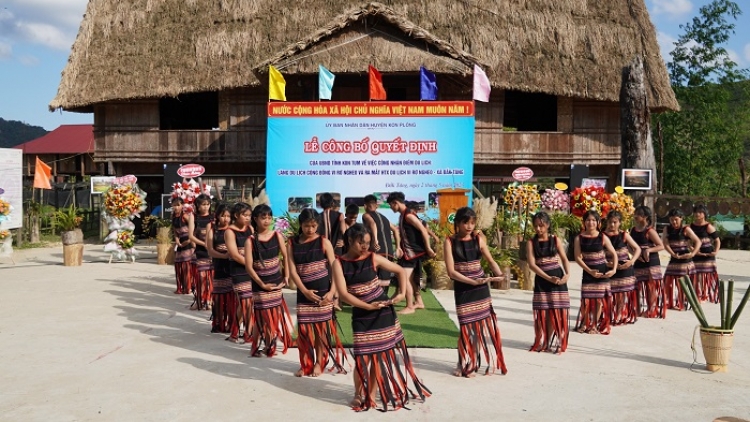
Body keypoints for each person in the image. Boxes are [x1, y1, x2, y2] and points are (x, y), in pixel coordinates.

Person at [331, 223, 430, 411]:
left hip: (383, 312)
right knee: (362, 359)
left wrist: (400, 294)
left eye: (367, 243)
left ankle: (370, 394)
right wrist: (367, 306)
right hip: (362, 314)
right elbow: (343, 294)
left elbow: (400, 271)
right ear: (350, 240)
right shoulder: (339, 263)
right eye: (361, 243)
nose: (365, 247)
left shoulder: (373, 258)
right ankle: (358, 394)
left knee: (377, 358)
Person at [445, 207, 507, 375]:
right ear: (457, 223)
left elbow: (490, 259)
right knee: (466, 326)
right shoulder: (449, 241)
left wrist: (499, 274)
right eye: (466, 222)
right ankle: (461, 362)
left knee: (478, 327)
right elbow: (451, 272)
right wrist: (470, 281)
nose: (469, 226)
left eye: (472, 223)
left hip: (480, 288)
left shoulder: (479, 239)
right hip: (464, 287)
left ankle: (473, 361)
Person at [287, 208, 346, 377]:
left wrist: (332, 293)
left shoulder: (323, 241)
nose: (310, 229)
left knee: (321, 333)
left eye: (313, 226)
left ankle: (320, 363)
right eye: (306, 226)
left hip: (323, 293)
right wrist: (304, 291)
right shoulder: (292, 243)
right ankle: (305, 364)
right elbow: (292, 270)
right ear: (301, 224)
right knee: (304, 331)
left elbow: (335, 268)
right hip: (304, 294)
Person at [245, 204, 294, 358]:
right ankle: (255, 346)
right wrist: (261, 284)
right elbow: (249, 267)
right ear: (255, 219)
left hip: (276, 282)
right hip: (260, 285)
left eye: (268, 217)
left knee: (274, 315)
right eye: (262, 217)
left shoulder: (277, 235)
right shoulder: (250, 240)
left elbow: (286, 256)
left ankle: (269, 345)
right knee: (261, 316)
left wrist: (286, 276)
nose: (266, 221)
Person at [526, 211, 571, 353]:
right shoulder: (531, 243)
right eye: (536, 226)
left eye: (541, 225)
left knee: (556, 311)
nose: (538, 229)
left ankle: (559, 341)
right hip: (542, 280)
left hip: (558, 278)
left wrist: (567, 274)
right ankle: (544, 341)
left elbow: (564, 258)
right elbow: (532, 265)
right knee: (542, 312)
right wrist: (547, 277)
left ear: (548, 225)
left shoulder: (555, 240)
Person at [387, 192, 436, 314]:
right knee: (412, 279)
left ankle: (409, 306)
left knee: (405, 278)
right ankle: (418, 301)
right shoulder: (403, 214)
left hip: (413, 253)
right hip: (409, 253)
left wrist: (428, 248)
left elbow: (423, 231)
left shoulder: (408, 215)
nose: (391, 208)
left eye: (391, 205)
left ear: (395, 203)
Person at [573, 210, 616, 335]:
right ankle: (585, 322)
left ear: (598, 223)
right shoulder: (579, 238)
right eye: (588, 220)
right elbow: (577, 258)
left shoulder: (602, 237)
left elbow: (613, 254)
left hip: (602, 272)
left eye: (593, 220)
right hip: (588, 271)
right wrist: (589, 271)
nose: (590, 222)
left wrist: (613, 270)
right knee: (586, 300)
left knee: (598, 301)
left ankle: (594, 325)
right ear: (584, 222)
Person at [603, 210, 641, 325]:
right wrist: (606, 263)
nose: (612, 225)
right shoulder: (602, 236)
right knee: (608, 294)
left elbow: (637, 249)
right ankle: (608, 315)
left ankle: (619, 315)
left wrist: (632, 261)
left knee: (621, 295)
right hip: (609, 268)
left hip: (624, 268)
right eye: (610, 222)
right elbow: (598, 251)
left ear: (620, 223)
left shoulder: (624, 235)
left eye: (615, 222)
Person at [224, 202, 254, 343]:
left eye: (249, 215)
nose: (248, 218)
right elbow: (235, 254)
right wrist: (251, 264)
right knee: (245, 302)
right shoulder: (229, 231)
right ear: (236, 215)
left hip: (250, 270)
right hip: (238, 270)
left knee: (246, 303)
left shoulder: (251, 229)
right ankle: (248, 333)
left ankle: (235, 332)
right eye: (244, 215)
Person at [630, 205, 666, 319]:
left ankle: (652, 309)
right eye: (635, 214)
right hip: (639, 262)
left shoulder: (650, 231)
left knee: (651, 286)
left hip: (651, 262)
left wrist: (649, 250)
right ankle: (637, 309)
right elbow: (629, 246)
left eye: (638, 214)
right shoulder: (633, 230)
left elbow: (661, 246)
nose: (635, 216)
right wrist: (635, 255)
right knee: (637, 286)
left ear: (645, 217)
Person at [662, 208, 701, 310]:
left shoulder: (686, 229)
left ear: (681, 218)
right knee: (667, 282)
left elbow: (698, 241)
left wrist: (692, 254)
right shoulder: (667, 229)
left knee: (682, 284)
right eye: (671, 220)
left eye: (676, 219)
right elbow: (665, 244)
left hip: (685, 260)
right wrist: (673, 254)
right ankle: (668, 302)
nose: (674, 222)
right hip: (674, 259)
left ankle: (682, 303)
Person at [206, 203, 236, 334]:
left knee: (231, 296)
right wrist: (224, 256)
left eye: (228, 216)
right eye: (223, 216)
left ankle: (231, 323)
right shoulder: (212, 228)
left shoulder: (233, 229)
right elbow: (210, 250)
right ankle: (218, 323)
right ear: (217, 215)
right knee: (219, 296)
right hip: (219, 265)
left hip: (233, 266)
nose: (226, 219)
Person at [362, 194, 401, 288]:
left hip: (377, 251)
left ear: (365, 206)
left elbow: (372, 224)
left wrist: (375, 240)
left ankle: (376, 298)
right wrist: (398, 247)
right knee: (384, 278)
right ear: (376, 205)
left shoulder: (366, 215)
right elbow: (395, 230)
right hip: (389, 252)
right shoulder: (384, 218)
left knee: (373, 276)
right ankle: (383, 299)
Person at [187, 194, 213, 311]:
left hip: (212, 253)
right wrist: (204, 244)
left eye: (208, 204)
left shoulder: (213, 217)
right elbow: (191, 236)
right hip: (201, 252)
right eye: (203, 204)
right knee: (201, 278)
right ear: (198, 205)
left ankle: (210, 300)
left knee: (211, 279)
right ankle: (199, 300)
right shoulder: (194, 216)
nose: (206, 207)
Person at [691, 204, 721, 303]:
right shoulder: (691, 226)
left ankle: (704, 294)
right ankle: (696, 294)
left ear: (704, 214)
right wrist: (692, 249)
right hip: (696, 253)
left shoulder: (708, 226)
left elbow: (717, 240)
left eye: (699, 212)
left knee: (705, 275)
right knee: (696, 275)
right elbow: (686, 241)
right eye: (695, 212)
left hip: (707, 253)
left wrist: (715, 251)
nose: (697, 214)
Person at [171, 197, 194, 295]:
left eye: (178, 205)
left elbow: (193, 228)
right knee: (178, 264)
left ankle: (188, 287)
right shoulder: (173, 216)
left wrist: (190, 240)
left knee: (186, 265)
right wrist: (176, 240)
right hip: (180, 242)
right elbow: (175, 231)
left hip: (188, 241)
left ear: (182, 205)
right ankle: (180, 287)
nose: (176, 207)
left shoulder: (185, 216)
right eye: (174, 205)